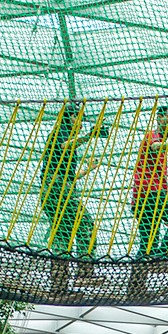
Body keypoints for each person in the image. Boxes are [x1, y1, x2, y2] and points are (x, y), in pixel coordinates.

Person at [41, 103, 109, 293]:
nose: (80, 122)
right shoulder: (60, 132)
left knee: (62, 237)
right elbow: (64, 146)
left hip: (56, 191)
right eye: (77, 117)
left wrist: (88, 169)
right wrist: (89, 136)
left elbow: (65, 173)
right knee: (85, 224)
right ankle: (85, 274)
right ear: (68, 118)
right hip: (57, 192)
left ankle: (59, 286)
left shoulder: (66, 137)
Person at [132, 105, 168, 262]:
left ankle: (139, 278)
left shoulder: (162, 142)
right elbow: (155, 147)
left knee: (148, 245)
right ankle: (164, 256)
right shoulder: (152, 136)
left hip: (143, 197)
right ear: (159, 118)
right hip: (151, 194)